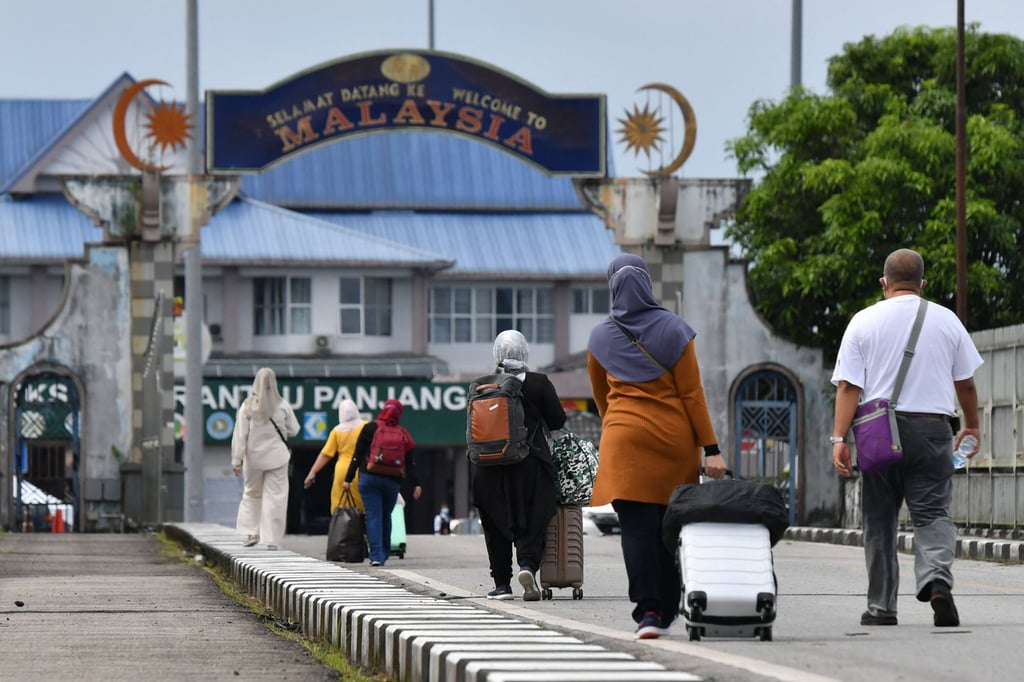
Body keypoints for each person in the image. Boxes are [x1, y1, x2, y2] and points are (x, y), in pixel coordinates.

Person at [831, 248, 983, 628]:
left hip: (879, 430)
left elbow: (849, 386)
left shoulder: (863, 321)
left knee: (879, 519)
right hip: (933, 430)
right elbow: (965, 383)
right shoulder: (947, 320)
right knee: (933, 513)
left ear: (884, 283)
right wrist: (973, 425)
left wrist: (838, 438)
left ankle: (881, 608)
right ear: (922, 284)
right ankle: (936, 581)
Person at [587, 253, 724, 640]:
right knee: (669, 527)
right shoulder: (676, 330)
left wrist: (620, 425)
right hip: (673, 442)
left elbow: (601, 399)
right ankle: (669, 602)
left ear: (613, 285)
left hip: (624, 441)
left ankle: (648, 611)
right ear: (647, 284)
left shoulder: (600, 338)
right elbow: (692, 395)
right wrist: (711, 448)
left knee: (636, 531)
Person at [473, 329, 566, 601]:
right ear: (525, 352)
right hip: (529, 465)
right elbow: (558, 421)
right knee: (532, 519)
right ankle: (527, 567)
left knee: (494, 524)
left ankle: (502, 584)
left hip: (487, 468)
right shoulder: (539, 382)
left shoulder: (482, 384)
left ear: (496, 354)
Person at [343, 399, 422, 566]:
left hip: (369, 478)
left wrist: (348, 478)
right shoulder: (402, 433)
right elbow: (409, 462)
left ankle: (376, 556)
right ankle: (384, 553)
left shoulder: (370, 427)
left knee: (373, 516)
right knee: (386, 516)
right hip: (392, 481)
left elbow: (357, 454)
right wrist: (416, 483)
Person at [231, 367, 300, 550]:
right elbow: (294, 430)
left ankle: (252, 532)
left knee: (252, 493)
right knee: (275, 497)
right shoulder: (282, 405)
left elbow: (240, 435)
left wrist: (236, 461)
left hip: (253, 458)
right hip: (278, 457)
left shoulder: (247, 406)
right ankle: (271, 539)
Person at [303, 399, 367, 514]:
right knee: (362, 505)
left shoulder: (337, 431)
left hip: (341, 472)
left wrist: (312, 472)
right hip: (361, 470)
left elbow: (326, 454)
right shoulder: (366, 427)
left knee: (340, 505)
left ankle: (343, 529)